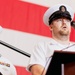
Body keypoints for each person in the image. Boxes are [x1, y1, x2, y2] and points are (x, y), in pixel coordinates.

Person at [27, 4, 75, 75]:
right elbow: (37, 72)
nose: (64, 22)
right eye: (59, 20)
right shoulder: (42, 47)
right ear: (51, 27)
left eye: (67, 20)